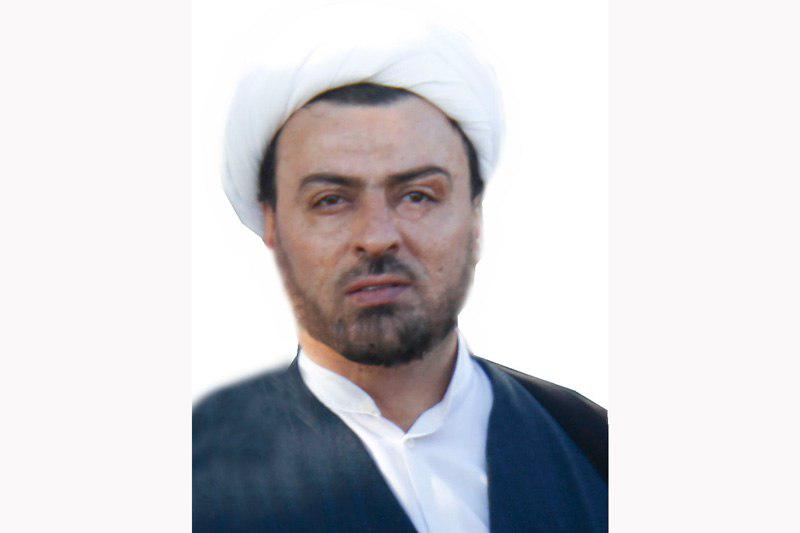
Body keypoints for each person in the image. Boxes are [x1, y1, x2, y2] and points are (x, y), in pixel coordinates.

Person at [193, 8, 607, 532]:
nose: (377, 236)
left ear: (476, 217)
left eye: (417, 195)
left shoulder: (590, 446)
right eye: (331, 200)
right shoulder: (196, 479)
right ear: (273, 224)